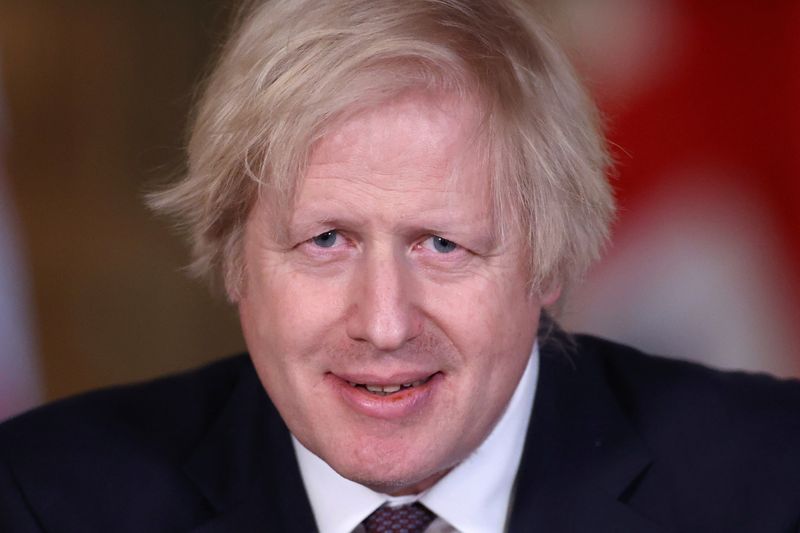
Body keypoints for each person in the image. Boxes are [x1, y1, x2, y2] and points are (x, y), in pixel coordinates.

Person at [1, 1, 799, 531]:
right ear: (233, 254)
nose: (384, 323)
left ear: (548, 259)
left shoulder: (771, 481)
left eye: (442, 244)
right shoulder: (47, 496)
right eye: (326, 241)